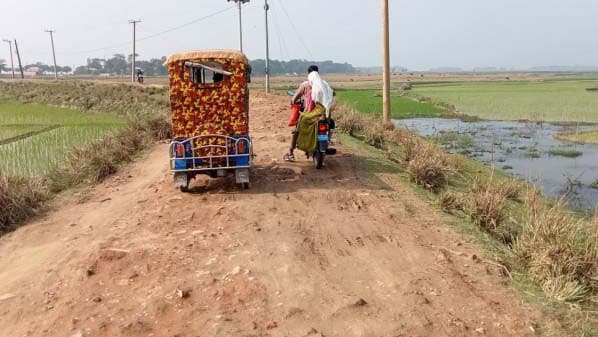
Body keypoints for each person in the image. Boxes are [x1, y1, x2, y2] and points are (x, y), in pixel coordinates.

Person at [284, 65, 320, 162]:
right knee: (330, 126)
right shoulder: (323, 84)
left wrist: (293, 101)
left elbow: (294, 99)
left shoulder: (305, 85)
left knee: (296, 131)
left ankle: (291, 153)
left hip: (308, 115)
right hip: (321, 116)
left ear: (309, 74)